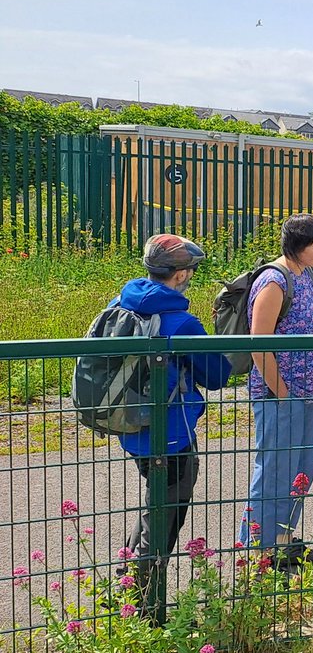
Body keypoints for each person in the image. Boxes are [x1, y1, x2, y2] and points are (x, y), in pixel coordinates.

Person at [113, 234, 232, 598]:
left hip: (130, 423)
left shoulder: (121, 302)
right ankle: (143, 605)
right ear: (179, 275)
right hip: (171, 432)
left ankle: (126, 583)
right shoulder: (181, 322)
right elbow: (216, 376)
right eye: (190, 270)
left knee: (154, 506)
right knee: (164, 517)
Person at [240, 214, 313, 561]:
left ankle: (281, 540)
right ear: (298, 247)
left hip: (308, 394)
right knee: (276, 471)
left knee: (302, 470)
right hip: (281, 395)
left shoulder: (305, 275)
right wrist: (281, 393)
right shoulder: (274, 281)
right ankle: (257, 548)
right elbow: (259, 343)